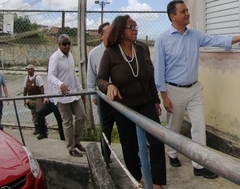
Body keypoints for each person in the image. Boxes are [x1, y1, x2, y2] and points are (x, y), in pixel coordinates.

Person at [154, 0, 240, 179]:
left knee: (199, 126)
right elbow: (159, 70)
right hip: (173, 90)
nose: (187, 13)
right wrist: (164, 96)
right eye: (183, 11)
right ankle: (172, 153)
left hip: (194, 89)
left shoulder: (194, 35)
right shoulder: (163, 39)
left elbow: (215, 40)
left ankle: (199, 165)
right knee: (173, 126)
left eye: (187, 10)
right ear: (172, 16)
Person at [96, 15, 166, 189]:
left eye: (135, 25)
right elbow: (100, 79)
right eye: (130, 26)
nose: (135, 28)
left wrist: (156, 100)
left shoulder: (141, 48)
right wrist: (109, 85)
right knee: (129, 145)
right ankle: (136, 179)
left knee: (157, 140)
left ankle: (157, 182)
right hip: (123, 105)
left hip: (145, 102)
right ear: (120, 31)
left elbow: (149, 76)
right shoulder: (110, 53)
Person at [47, 34, 86, 157]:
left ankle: (77, 141)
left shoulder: (70, 56)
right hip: (61, 95)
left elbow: (73, 75)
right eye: (64, 44)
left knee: (81, 116)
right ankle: (71, 147)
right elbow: (50, 76)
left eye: (69, 43)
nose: (67, 46)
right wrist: (60, 84)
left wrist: (80, 90)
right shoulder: (55, 58)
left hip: (73, 94)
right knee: (67, 121)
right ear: (59, 45)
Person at [87, 22, 115, 163]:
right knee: (105, 128)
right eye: (108, 33)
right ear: (101, 36)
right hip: (103, 97)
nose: (112, 35)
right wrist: (93, 95)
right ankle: (106, 157)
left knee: (127, 128)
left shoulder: (118, 49)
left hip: (119, 96)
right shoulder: (94, 54)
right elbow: (91, 76)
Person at [22, 64, 45, 135]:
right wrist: (25, 99)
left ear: (33, 70)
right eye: (27, 69)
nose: (28, 71)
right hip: (31, 99)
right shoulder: (26, 78)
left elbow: (41, 88)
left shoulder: (38, 78)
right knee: (34, 115)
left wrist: (42, 99)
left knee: (40, 113)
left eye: (29, 69)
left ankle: (44, 129)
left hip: (37, 98)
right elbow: (25, 89)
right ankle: (37, 128)